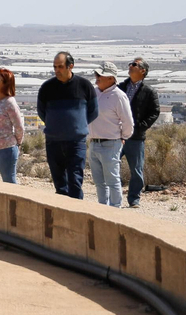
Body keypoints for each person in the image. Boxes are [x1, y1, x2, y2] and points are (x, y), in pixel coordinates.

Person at [37, 51, 97, 199]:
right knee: (59, 184)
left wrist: (77, 126)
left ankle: (77, 216)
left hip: (76, 142)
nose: (57, 70)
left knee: (75, 181)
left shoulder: (84, 86)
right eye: (55, 67)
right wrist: (56, 125)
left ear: (71, 66)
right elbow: (42, 112)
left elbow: (93, 112)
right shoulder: (47, 88)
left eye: (60, 67)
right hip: (53, 141)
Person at [87, 61, 135, 208]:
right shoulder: (94, 93)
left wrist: (122, 138)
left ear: (110, 78)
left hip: (111, 144)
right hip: (94, 143)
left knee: (112, 180)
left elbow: (128, 122)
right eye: (96, 74)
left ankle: (115, 210)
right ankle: (103, 209)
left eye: (100, 74)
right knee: (99, 182)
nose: (97, 77)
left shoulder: (119, 96)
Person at [121, 56, 160, 208]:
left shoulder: (149, 92)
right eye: (130, 63)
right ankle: (112, 197)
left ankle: (134, 199)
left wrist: (141, 127)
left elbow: (154, 112)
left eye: (134, 64)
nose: (130, 66)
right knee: (110, 166)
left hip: (136, 137)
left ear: (143, 71)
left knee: (136, 170)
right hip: (117, 135)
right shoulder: (120, 87)